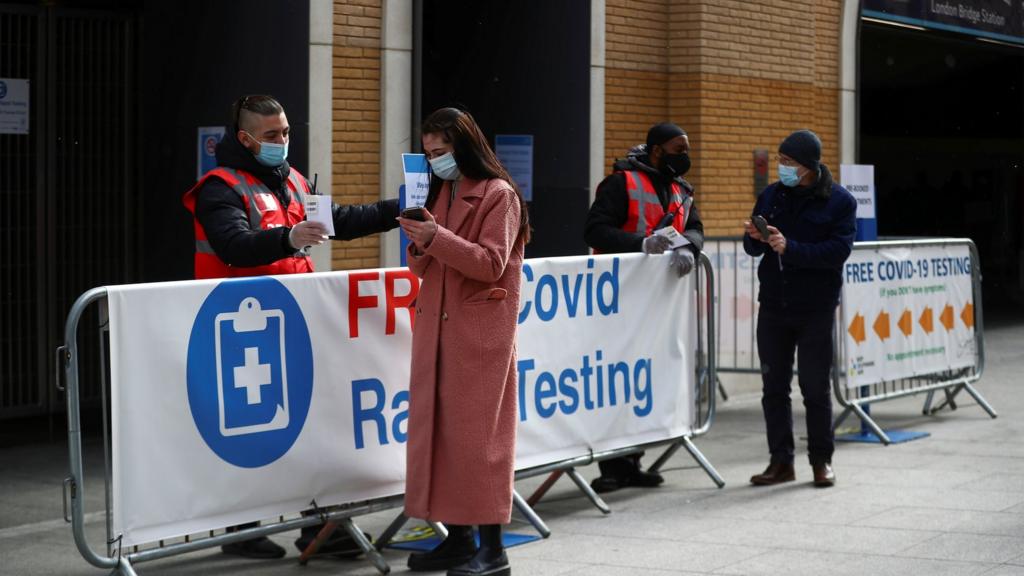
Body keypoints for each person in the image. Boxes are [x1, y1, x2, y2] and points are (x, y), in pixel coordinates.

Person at [182, 94, 400, 559]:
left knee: (310, 428)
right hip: (240, 332)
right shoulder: (220, 187)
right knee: (250, 432)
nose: (283, 141)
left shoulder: (293, 180)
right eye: (272, 135)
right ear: (245, 138)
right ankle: (239, 530)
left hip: (293, 325)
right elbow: (233, 245)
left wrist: (394, 210)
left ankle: (318, 529)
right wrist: (287, 237)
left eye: (285, 132)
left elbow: (335, 221)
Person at [397, 107, 529, 576]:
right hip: (438, 327)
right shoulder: (441, 192)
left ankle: (493, 549)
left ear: (465, 146)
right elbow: (424, 265)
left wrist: (436, 236)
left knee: (480, 442)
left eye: (443, 151)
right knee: (444, 437)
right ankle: (457, 539)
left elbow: (491, 263)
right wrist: (420, 241)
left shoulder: (500, 196)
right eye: (430, 153)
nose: (436, 161)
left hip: (478, 337)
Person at [583, 122, 704, 494]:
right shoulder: (621, 183)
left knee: (642, 383)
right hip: (617, 302)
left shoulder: (682, 190)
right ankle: (612, 466)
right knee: (614, 381)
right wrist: (641, 242)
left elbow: (697, 228)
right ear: (656, 151)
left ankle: (633, 461)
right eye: (678, 149)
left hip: (656, 308)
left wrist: (688, 246)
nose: (685, 156)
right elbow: (595, 230)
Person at [742, 129, 856, 488]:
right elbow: (752, 249)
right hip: (774, 304)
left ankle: (821, 461)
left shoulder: (839, 202)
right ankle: (780, 461)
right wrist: (755, 238)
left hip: (815, 307)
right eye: (780, 160)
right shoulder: (772, 196)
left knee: (814, 386)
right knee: (773, 386)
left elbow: (838, 251)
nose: (782, 167)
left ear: (808, 166)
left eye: (789, 162)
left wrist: (791, 248)